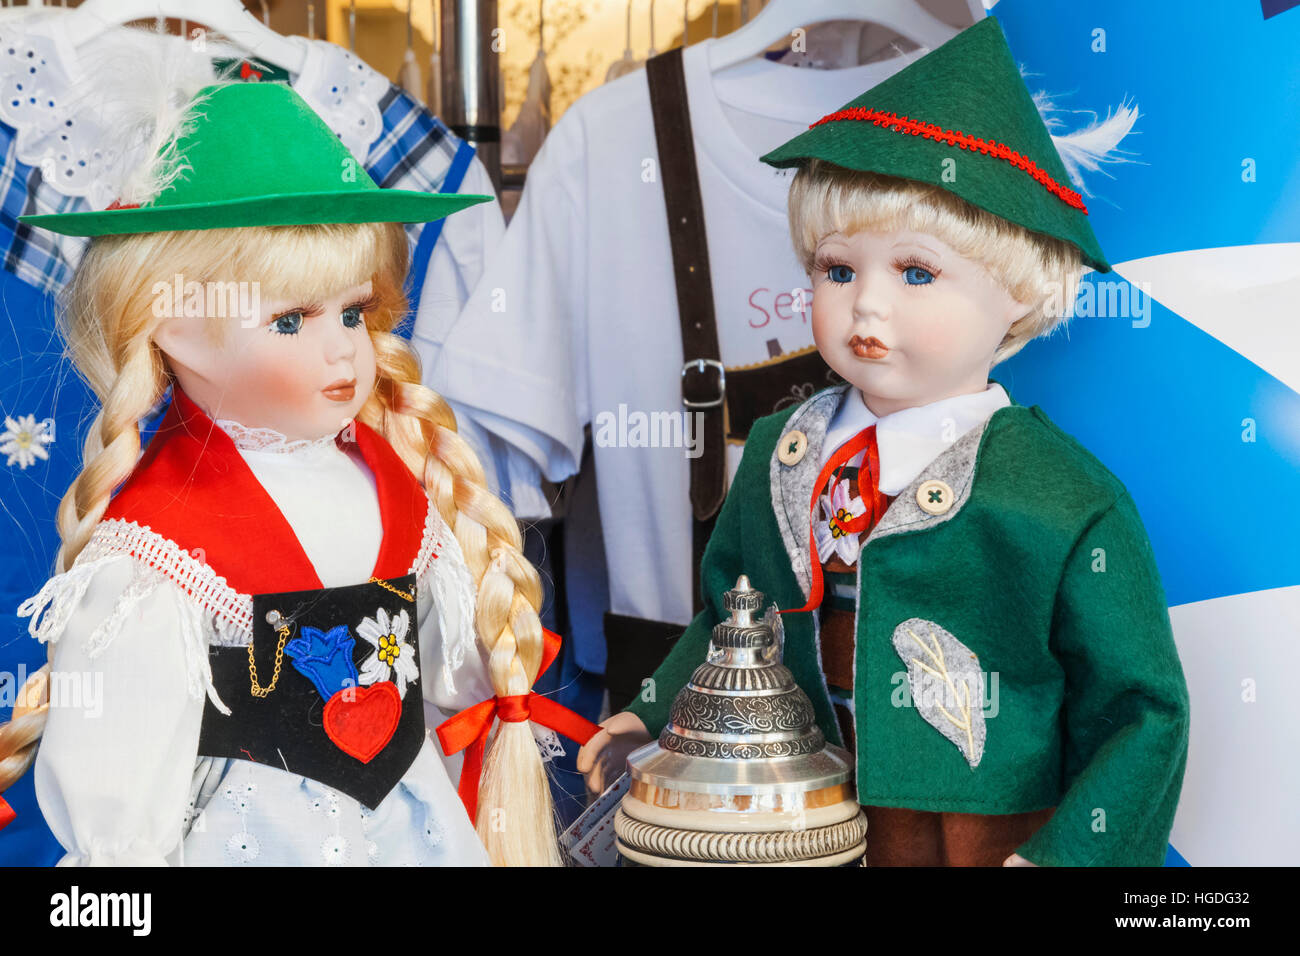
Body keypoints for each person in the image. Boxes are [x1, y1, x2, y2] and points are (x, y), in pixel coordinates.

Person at [578, 16, 1190, 867]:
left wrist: (1064, 859)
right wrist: (650, 709)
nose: (866, 307)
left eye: (916, 273)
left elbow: (1140, 713)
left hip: (966, 831)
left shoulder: (1060, 500)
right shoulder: (783, 451)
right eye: (837, 270)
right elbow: (729, 609)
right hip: (788, 811)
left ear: (1020, 290)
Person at [3, 80, 574, 866]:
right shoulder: (158, 549)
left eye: (351, 312)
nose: (342, 348)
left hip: (416, 829)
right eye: (288, 321)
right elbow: (118, 780)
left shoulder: (395, 484)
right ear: (179, 332)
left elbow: (445, 672)